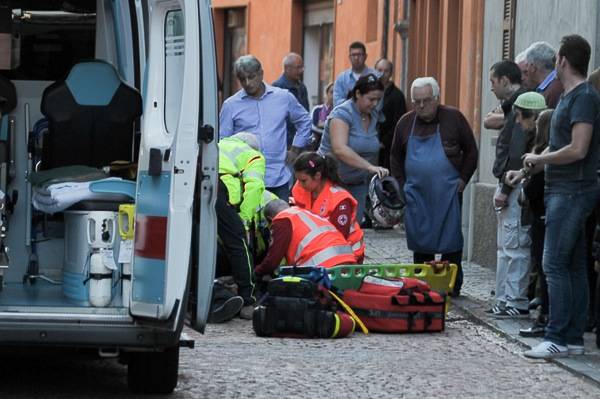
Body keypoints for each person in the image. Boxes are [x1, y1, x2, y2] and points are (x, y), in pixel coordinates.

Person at [507, 35, 600, 359]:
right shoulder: (569, 96)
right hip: (560, 188)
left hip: (573, 191)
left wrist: (542, 160)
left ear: (562, 60)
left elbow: (578, 149)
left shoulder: (584, 97)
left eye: (557, 57)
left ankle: (557, 335)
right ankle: (572, 338)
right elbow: (557, 142)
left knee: (554, 263)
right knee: (572, 264)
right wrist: (527, 170)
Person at [390, 77, 478, 297]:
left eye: (426, 100)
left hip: (448, 192)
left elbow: (471, 151)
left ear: (437, 98)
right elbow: (394, 157)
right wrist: (402, 185)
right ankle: (422, 283)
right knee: (421, 241)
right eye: (416, 101)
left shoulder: (454, 118)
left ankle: (452, 284)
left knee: (450, 239)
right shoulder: (405, 123)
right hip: (417, 194)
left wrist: (463, 179)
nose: (421, 106)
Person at [219, 55, 312, 201]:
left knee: (280, 222)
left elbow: (304, 120)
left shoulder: (283, 97)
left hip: (278, 177)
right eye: (242, 79)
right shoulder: (231, 105)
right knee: (248, 222)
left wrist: (295, 149)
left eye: (251, 77)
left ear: (261, 74)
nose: (248, 83)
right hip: (245, 181)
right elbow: (223, 142)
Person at [488, 60, 531, 318]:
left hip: (513, 185)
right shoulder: (512, 106)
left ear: (505, 80)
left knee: (514, 247)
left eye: (493, 82)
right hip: (508, 183)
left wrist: (505, 187)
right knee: (506, 248)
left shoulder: (520, 105)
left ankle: (515, 300)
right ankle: (504, 298)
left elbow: (516, 151)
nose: (491, 87)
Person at [318, 74, 389, 222]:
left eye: (378, 99)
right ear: (358, 94)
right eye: (371, 99)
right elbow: (340, 149)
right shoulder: (342, 113)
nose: (375, 103)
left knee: (353, 230)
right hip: (331, 182)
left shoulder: (374, 115)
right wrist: (370, 167)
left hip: (357, 183)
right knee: (331, 230)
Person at [214, 132, 266, 320]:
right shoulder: (253, 155)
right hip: (218, 187)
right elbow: (254, 188)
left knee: (195, 240)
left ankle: (197, 293)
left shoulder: (219, 144)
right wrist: (244, 219)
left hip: (193, 182)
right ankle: (248, 298)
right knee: (237, 243)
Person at [291, 152, 365, 262]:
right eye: (298, 180)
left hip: (347, 254)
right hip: (319, 250)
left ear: (317, 175)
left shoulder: (339, 200)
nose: (300, 184)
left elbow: (339, 239)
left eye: (303, 181)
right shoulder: (301, 189)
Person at [254, 200, 357, 278]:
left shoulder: (281, 220)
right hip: (349, 262)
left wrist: (256, 272)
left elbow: (273, 260)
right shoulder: (305, 213)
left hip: (323, 267)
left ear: (270, 218)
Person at [519, 108, 553, 337]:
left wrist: (523, 186)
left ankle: (546, 317)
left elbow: (533, 189)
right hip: (541, 216)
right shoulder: (541, 155)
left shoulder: (542, 157)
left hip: (542, 217)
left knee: (546, 267)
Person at [374, 58, 407, 170]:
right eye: (379, 70)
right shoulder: (368, 93)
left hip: (387, 147)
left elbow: (400, 122)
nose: (382, 74)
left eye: (386, 71)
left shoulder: (397, 96)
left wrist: (384, 141)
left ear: (391, 73)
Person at [272, 53, 310, 148]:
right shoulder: (277, 88)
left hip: (301, 139)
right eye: (298, 67)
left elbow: (305, 113)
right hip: (285, 142)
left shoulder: (302, 87)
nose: (302, 70)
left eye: (302, 67)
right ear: (287, 68)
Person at [333, 41, 377, 107]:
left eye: (359, 55)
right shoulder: (342, 79)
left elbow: (379, 102)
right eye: (353, 55)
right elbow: (337, 102)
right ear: (349, 57)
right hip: (347, 116)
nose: (356, 58)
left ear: (365, 56)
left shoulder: (375, 76)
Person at [524, 41, 563, 108]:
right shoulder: (555, 84)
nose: (526, 70)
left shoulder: (553, 91)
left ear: (533, 67)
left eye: (527, 65)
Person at [310, 82, 334, 150]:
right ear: (326, 94)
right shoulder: (317, 109)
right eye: (331, 92)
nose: (334, 95)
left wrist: (323, 124)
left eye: (336, 92)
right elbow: (312, 126)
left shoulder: (340, 111)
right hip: (318, 139)